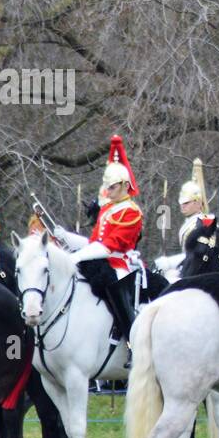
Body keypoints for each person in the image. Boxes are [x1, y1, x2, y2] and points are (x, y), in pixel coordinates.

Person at [53, 135, 145, 342]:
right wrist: (66, 237)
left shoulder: (131, 211)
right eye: (107, 187)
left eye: (111, 187)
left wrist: (76, 257)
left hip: (120, 262)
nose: (107, 192)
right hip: (102, 259)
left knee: (114, 289)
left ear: (123, 185)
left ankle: (129, 335)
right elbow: (94, 243)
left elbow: (110, 246)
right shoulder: (108, 210)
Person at [153, 159, 215, 280]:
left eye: (186, 203)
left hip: (199, 272)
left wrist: (170, 262)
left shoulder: (203, 224)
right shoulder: (190, 222)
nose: (182, 206)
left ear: (197, 203)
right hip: (189, 267)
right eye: (181, 203)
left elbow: (198, 254)